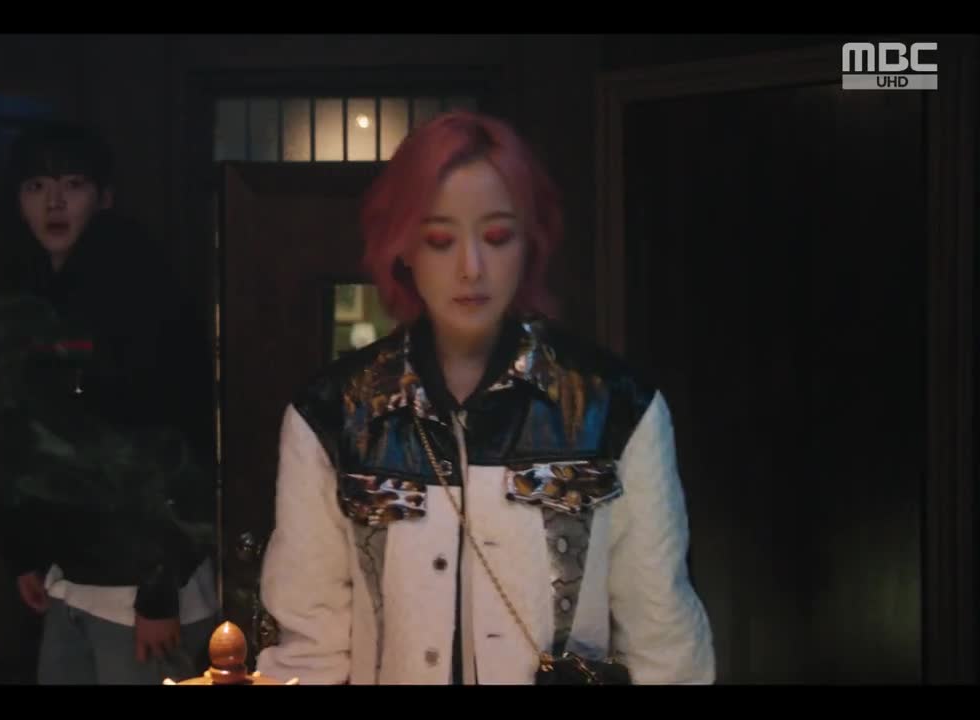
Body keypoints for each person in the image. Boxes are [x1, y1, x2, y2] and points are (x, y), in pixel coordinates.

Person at [252, 111, 715, 685]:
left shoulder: (615, 406)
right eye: (440, 240)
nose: (471, 268)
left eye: (497, 237)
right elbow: (310, 649)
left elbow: (662, 642)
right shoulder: (334, 412)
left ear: (530, 242)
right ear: (403, 247)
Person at [0, 121, 218, 684]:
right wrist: (25, 553)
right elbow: (21, 439)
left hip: (143, 589)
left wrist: (159, 589)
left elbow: (177, 445)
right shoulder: (33, 295)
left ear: (104, 197)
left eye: (73, 185)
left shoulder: (144, 294)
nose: (54, 202)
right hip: (70, 578)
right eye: (36, 186)